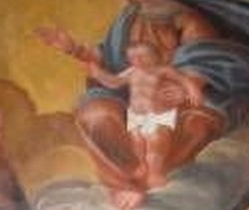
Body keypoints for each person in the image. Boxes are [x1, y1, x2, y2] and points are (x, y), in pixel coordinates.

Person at [36, 0, 249, 210]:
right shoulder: (127, 20)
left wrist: (189, 85)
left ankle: (153, 184)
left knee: (194, 125)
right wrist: (73, 49)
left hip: (182, 94)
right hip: (134, 95)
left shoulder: (186, 17)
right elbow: (109, 58)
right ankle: (128, 182)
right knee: (95, 114)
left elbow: (204, 54)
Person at [82, 41, 205, 190]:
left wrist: (192, 89)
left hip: (158, 114)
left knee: (156, 142)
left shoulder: (162, 70)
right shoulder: (132, 72)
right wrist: (99, 74)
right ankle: (142, 166)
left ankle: (154, 172)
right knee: (137, 142)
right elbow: (114, 82)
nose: (137, 61)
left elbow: (183, 80)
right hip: (136, 116)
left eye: (142, 56)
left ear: (154, 56)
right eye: (133, 58)